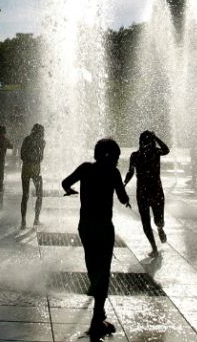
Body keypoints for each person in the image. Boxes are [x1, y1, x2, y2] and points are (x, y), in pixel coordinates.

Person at [62, 138, 131, 342]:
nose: (117, 160)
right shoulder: (113, 172)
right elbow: (122, 197)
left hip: (85, 226)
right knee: (103, 270)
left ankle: (98, 309)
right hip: (103, 227)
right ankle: (97, 318)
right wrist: (126, 197)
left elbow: (65, 183)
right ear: (109, 155)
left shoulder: (85, 168)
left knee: (92, 264)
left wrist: (71, 191)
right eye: (116, 156)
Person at [124, 131, 170, 257]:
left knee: (158, 220)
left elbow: (166, 150)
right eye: (142, 140)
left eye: (147, 141)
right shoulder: (135, 156)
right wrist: (125, 183)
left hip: (156, 191)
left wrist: (156, 137)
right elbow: (130, 171)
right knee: (145, 223)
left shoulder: (156, 153)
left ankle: (160, 228)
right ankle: (154, 247)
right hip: (142, 193)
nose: (143, 143)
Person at [20, 123, 45, 229]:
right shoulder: (42, 142)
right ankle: (36, 219)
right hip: (35, 171)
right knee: (39, 194)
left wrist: (28, 160)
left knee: (25, 195)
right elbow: (40, 157)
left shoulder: (26, 139)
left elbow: (22, 155)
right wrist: (35, 160)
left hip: (25, 169)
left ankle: (23, 221)